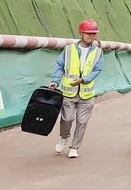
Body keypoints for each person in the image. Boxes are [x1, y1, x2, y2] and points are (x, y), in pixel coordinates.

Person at [49, 19, 104, 159]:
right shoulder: (68, 49)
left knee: (82, 122)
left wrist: (84, 80)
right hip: (69, 93)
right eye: (88, 33)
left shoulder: (98, 52)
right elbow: (59, 66)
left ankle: (74, 147)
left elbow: (98, 69)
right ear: (81, 33)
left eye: (94, 33)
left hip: (87, 95)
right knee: (66, 119)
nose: (91, 36)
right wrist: (55, 81)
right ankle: (63, 137)